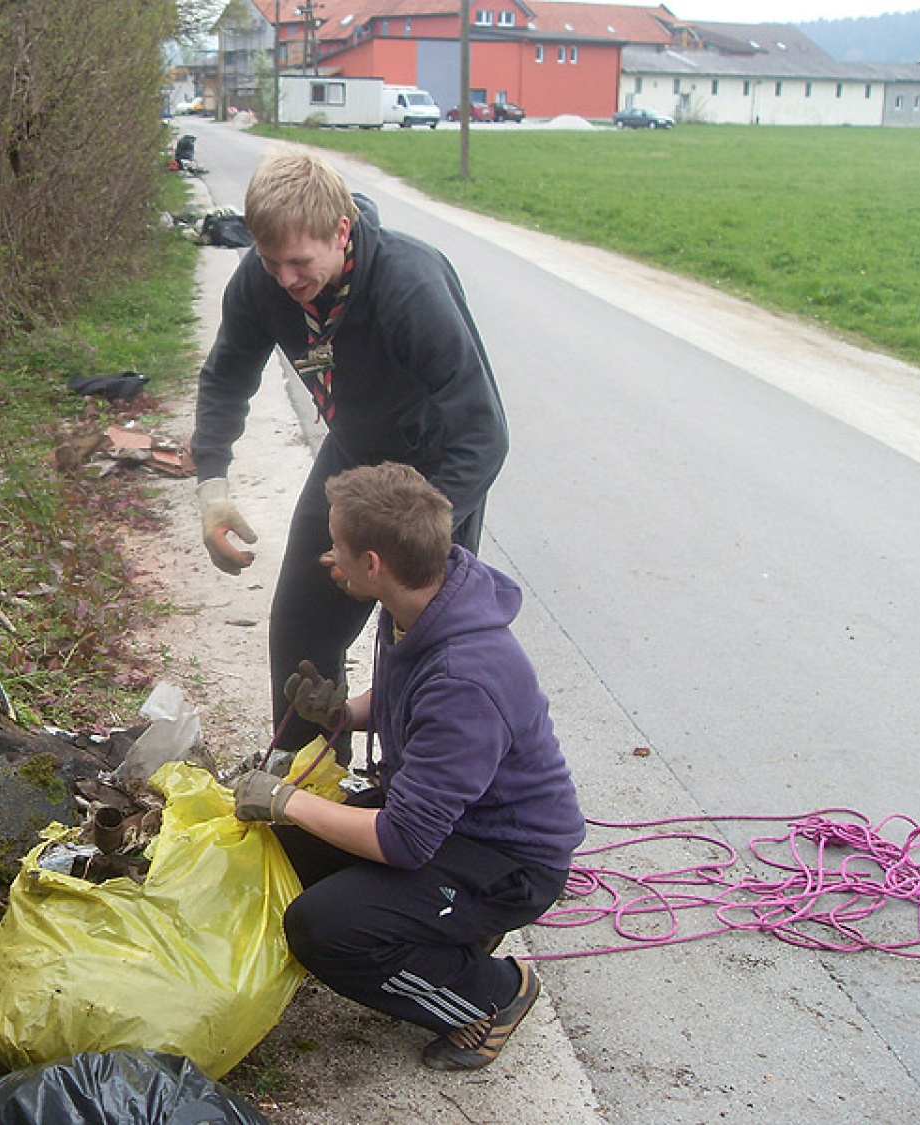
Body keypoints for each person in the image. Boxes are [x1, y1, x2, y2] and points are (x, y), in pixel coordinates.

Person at [231, 462, 584, 1072]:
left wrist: (284, 799)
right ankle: (444, 934)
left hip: (506, 861)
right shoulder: (424, 600)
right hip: (451, 820)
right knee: (283, 849)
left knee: (322, 927)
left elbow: (402, 841)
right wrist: (342, 711)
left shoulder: (465, 679)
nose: (328, 558)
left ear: (373, 564)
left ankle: (490, 995)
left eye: (337, 547)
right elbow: (404, 704)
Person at [192, 146, 508, 760]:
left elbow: (483, 435)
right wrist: (213, 487)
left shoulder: (409, 287)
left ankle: (415, 801)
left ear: (342, 231)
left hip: (432, 476)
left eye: (300, 262)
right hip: (354, 458)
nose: (286, 279)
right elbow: (226, 375)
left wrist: (400, 543)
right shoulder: (265, 283)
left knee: (422, 654)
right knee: (301, 643)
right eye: (271, 260)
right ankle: (308, 799)